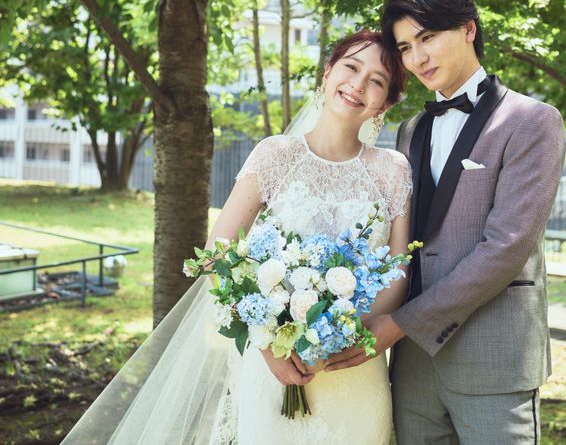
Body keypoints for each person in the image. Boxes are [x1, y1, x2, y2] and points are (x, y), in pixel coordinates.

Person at [61, 30, 412, 445]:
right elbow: (217, 254)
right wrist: (267, 344)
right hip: (275, 367)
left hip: (353, 368)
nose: (358, 84)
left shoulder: (392, 170)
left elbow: (397, 275)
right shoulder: (275, 155)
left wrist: (344, 336)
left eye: (376, 81)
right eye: (351, 67)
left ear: (385, 103)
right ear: (327, 73)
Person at [326, 0, 565, 444]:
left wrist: (399, 324)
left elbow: (506, 247)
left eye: (428, 37)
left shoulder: (531, 121)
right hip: (411, 367)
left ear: (468, 29)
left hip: (492, 360)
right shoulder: (411, 131)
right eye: (405, 47)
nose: (417, 58)